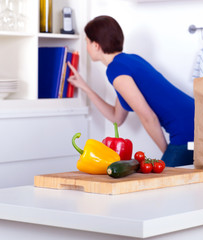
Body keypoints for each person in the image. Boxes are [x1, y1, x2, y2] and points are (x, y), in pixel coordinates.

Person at [67, 15, 194, 167]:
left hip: (187, 131)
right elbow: (116, 118)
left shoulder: (116, 69)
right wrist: (85, 87)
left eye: (87, 42)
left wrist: (167, 153)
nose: (86, 47)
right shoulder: (128, 61)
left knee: (167, 178)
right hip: (197, 122)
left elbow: (148, 117)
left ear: (96, 45)